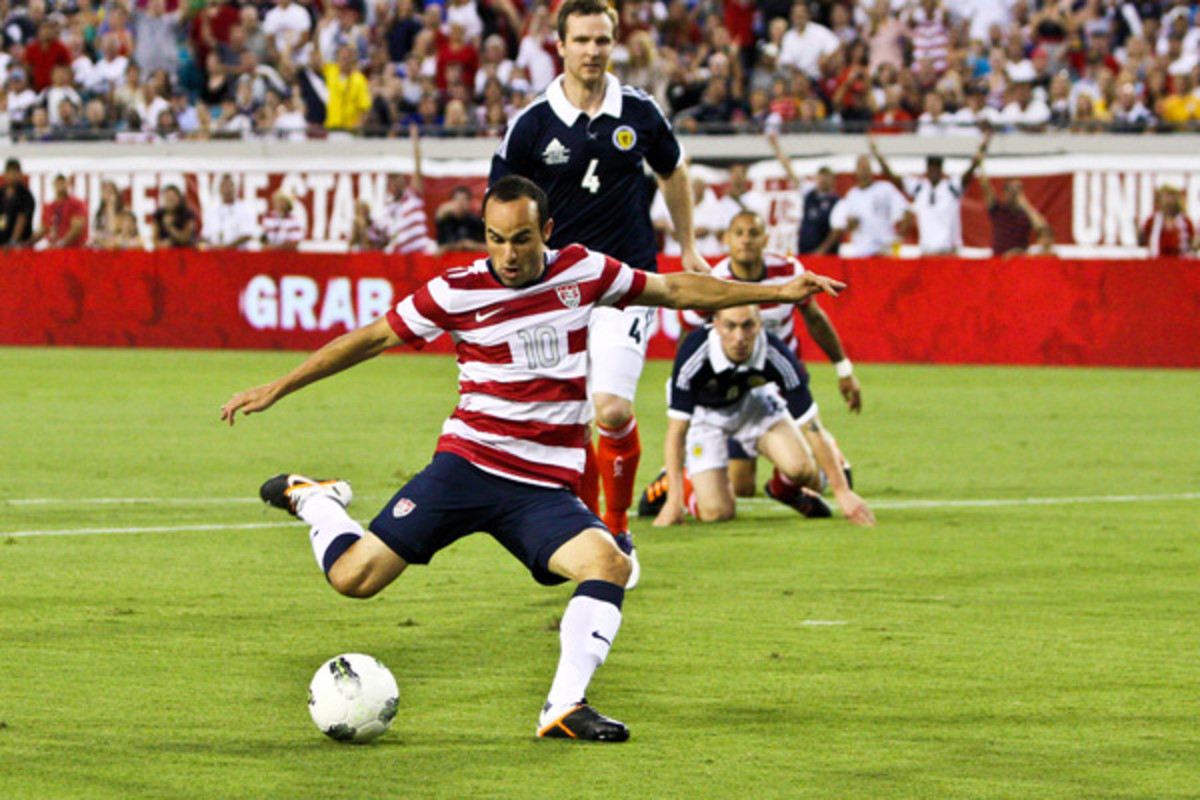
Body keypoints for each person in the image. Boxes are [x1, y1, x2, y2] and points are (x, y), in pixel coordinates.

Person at [219, 175, 846, 742]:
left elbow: (675, 287)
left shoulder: (583, 272)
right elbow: (373, 337)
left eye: (521, 239)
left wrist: (777, 292)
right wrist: (280, 385)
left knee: (609, 564)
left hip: (542, 489)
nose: (508, 254)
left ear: (546, 231)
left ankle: (563, 707)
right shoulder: (455, 291)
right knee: (352, 580)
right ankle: (319, 500)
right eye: (495, 239)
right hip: (465, 467)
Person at [490, 0, 712, 572]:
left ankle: (615, 527)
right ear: (559, 46)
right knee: (566, 421)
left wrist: (686, 246)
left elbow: (674, 170)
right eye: (583, 40)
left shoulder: (638, 112)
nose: (593, 51)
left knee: (610, 408)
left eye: (603, 41)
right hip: (553, 291)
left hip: (625, 282)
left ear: (615, 44)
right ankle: (582, 525)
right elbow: (502, 205)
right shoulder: (531, 124)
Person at [648, 209, 860, 510]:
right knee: (740, 488)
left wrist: (843, 368)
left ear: (766, 238)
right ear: (727, 239)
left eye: (753, 233)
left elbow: (815, 318)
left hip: (772, 384)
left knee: (813, 475)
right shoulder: (715, 280)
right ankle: (683, 478)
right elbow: (690, 336)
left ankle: (786, 487)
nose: (746, 241)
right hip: (720, 393)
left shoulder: (788, 271)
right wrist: (687, 389)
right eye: (739, 233)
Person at [650, 305, 875, 529]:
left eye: (747, 325)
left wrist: (842, 492)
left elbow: (812, 425)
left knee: (803, 470)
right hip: (704, 416)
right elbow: (677, 431)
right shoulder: (695, 353)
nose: (739, 337)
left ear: (759, 325)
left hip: (754, 404)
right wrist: (674, 501)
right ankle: (678, 482)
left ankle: (783, 490)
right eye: (730, 326)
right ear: (716, 325)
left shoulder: (776, 354)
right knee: (717, 513)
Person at [871, 133, 990, 256]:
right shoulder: (919, 187)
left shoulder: (951, 187)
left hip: (948, 253)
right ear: (927, 169)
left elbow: (969, 173)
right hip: (927, 252)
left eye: (937, 168)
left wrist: (981, 150)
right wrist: (877, 155)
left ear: (941, 169)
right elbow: (893, 177)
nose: (934, 171)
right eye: (931, 167)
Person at [767, 134, 840, 254]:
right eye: (821, 176)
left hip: (825, 255)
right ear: (816, 178)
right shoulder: (808, 192)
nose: (824, 180)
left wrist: (821, 251)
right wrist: (776, 148)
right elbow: (789, 170)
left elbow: (837, 231)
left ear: (832, 180)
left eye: (827, 177)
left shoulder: (836, 201)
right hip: (805, 250)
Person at [827, 155, 911, 258]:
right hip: (862, 252)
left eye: (866, 167)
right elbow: (847, 226)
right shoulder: (852, 195)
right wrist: (851, 223)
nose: (864, 171)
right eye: (861, 168)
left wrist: (898, 238)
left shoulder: (885, 188)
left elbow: (906, 211)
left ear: (871, 170)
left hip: (884, 250)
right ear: (856, 171)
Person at [378, 123, 435, 254]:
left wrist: (415, 140)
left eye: (397, 178)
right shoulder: (388, 207)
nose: (394, 183)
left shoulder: (412, 195)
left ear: (403, 180)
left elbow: (418, 168)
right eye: (391, 180)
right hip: (401, 257)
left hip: (420, 253)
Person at [978, 169, 1052, 257]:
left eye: (1017, 188)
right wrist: (980, 165)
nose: (1014, 192)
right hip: (1000, 260)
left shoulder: (1025, 214)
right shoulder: (998, 209)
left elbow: (1042, 227)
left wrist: (1023, 201)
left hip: (1019, 261)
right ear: (1005, 191)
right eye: (1011, 189)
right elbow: (986, 187)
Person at [201, 174, 259, 250]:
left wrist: (227, 247)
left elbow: (248, 234)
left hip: (238, 254)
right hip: (215, 253)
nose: (227, 189)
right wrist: (215, 246)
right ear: (220, 189)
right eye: (224, 186)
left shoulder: (245, 208)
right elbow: (205, 235)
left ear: (235, 188)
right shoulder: (211, 210)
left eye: (230, 186)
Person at [32, 174, 88, 249]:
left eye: (63, 181)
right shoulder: (49, 207)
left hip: (73, 251)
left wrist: (61, 244)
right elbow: (43, 229)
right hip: (54, 250)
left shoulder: (76, 203)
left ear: (68, 183)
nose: (60, 184)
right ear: (53, 184)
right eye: (58, 182)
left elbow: (77, 228)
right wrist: (28, 243)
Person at [1140, 185, 1195, 257]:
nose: (1169, 201)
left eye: (1172, 197)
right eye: (1166, 197)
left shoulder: (1186, 222)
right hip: (1157, 264)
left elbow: (1191, 245)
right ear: (1159, 200)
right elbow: (1142, 242)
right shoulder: (1152, 221)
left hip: (1181, 264)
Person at [434, 186, 487, 254]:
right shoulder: (445, 220)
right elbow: (439, 213)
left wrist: (474, 245)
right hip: (447, 260)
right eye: (457, 199)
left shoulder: (475, 222)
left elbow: (488, 247)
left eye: (464, 199)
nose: (460, 203)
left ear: (469, 202)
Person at [0, 158, 36, 247]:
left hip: (20, 245)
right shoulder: (1, 193)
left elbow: (22, 218)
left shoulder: (25, 195)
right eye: (10, 172)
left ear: (20, 174)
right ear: (5, 174)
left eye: (15, 172)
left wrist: (13, 241)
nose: (12, 176)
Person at [152, 185, 199, 249]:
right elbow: (154, 238)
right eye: (167, 198)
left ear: (179, 198)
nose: (170, 200)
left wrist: (170, 227)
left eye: (173, 197)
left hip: (186, 252)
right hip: (165, 253)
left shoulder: (188, 214)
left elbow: (185, 239)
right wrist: (161, 244)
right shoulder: (159, 214)